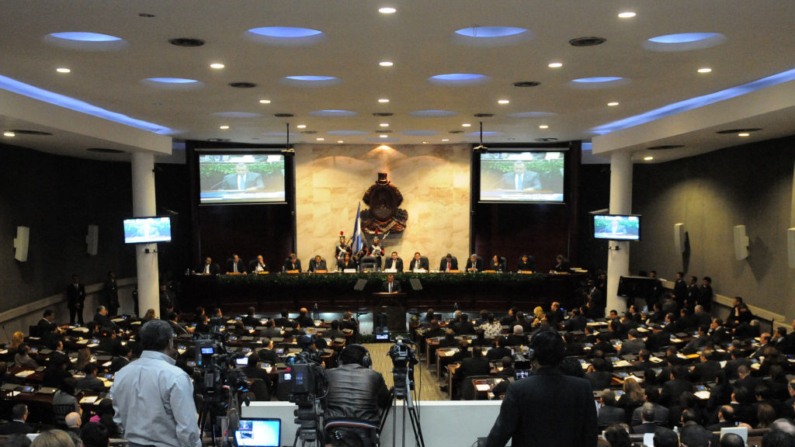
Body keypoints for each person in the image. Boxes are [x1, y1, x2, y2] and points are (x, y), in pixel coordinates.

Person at [485, 327, 597, 447]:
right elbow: (590, 434)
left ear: (532, 354)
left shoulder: (518, 389)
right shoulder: (583, 387)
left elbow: (499, 435)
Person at [111, 320, 201, 447]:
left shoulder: (122, 373)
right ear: (170, 342)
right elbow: (187, 428)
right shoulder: (176, 376)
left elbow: (118, 418)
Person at [324, 345, 390, 443]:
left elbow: (320, 397)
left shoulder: (327, 374)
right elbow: (386, 401)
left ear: (339, 361)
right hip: (367, 427)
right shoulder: (375, 375)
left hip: (334, 427)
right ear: (366, 361)